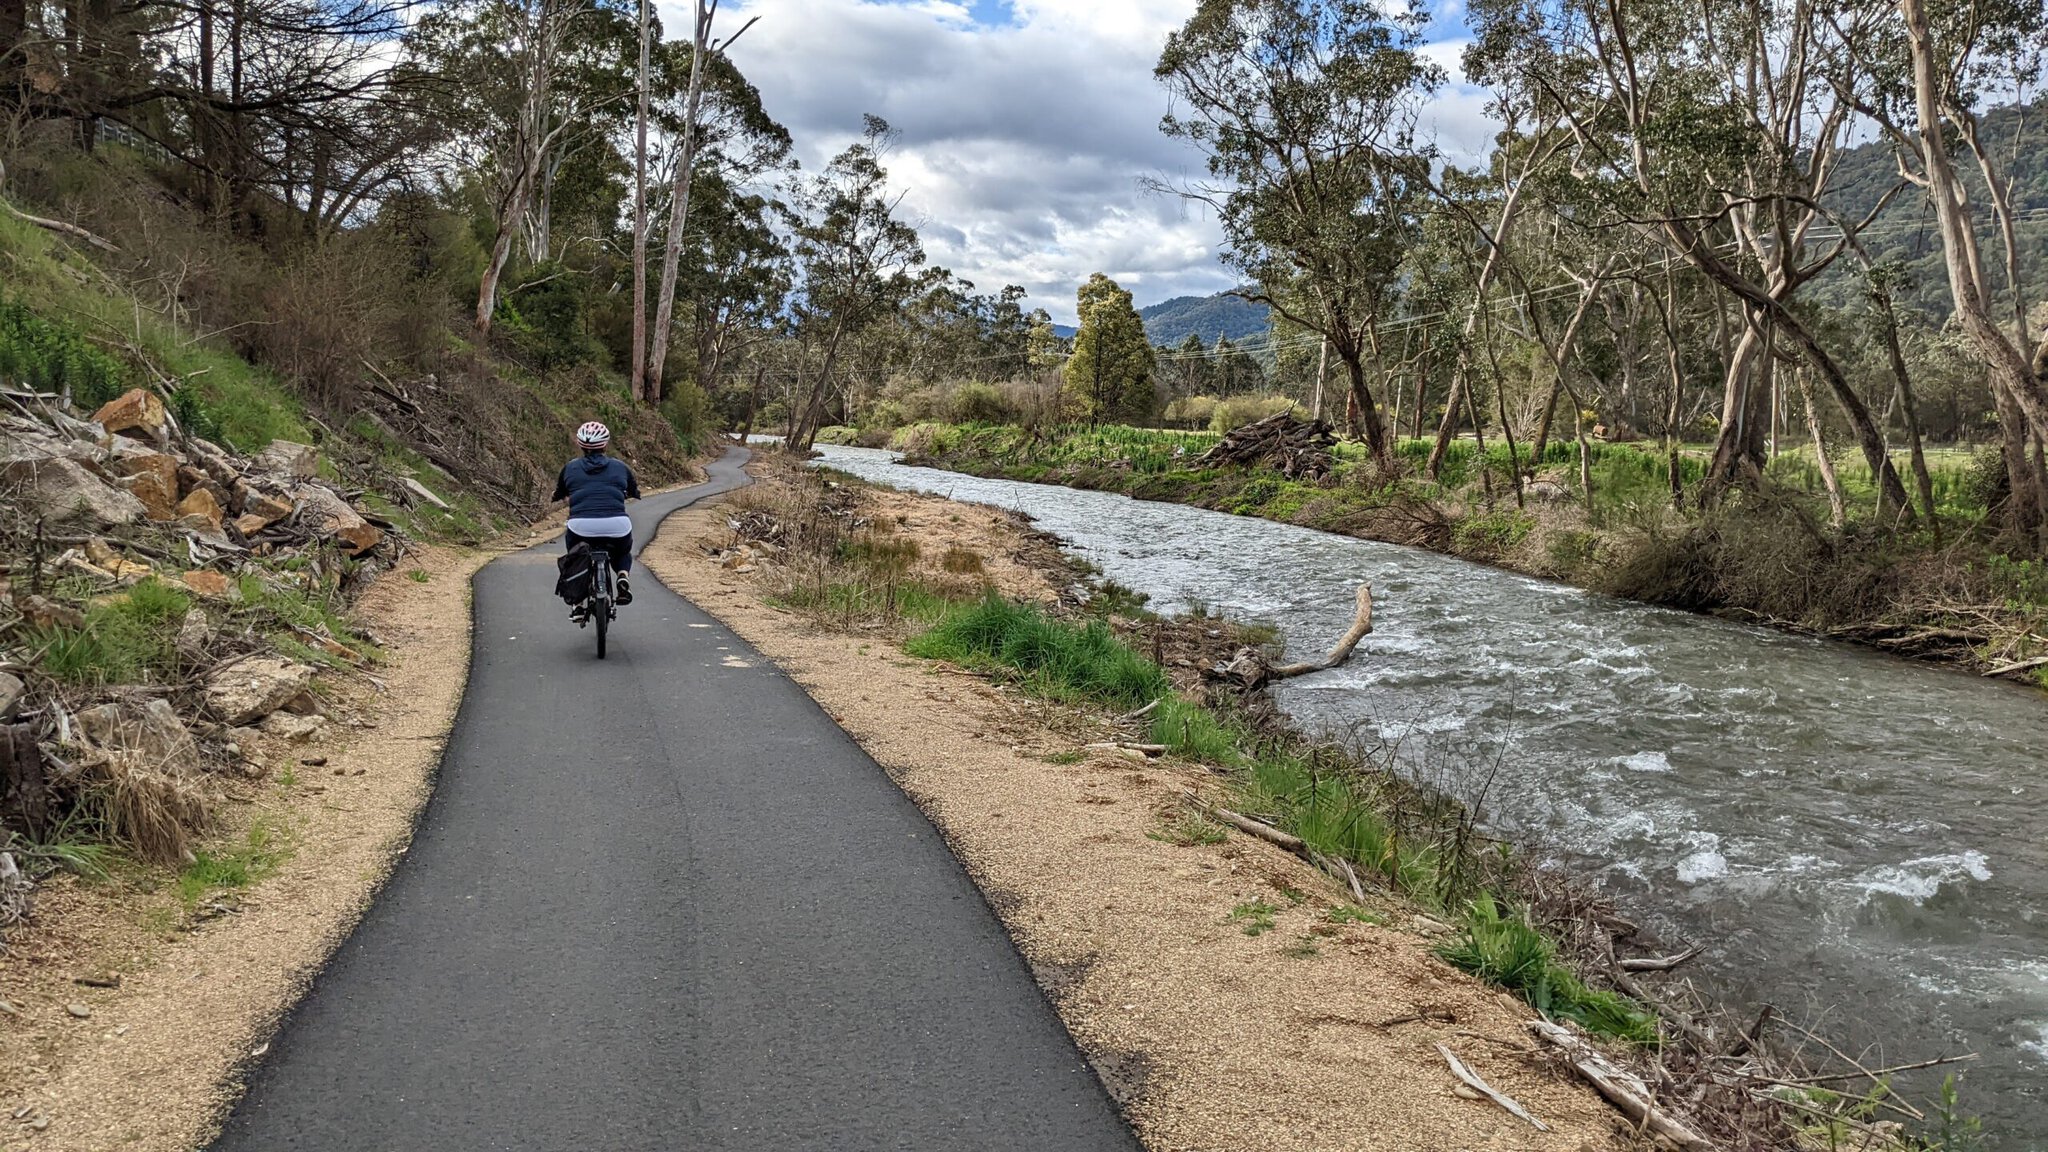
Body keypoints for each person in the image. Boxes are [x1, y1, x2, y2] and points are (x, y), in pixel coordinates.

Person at [553, 421, 641, 621]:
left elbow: (559, 493)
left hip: (581, 526)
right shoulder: (620, 467)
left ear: (580, 444)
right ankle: (622, 577)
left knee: (576, 557)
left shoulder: (570, 468)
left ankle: (577, 604)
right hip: (617, 525)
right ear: (605, 444)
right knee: (622, 551)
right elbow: (634, 491)